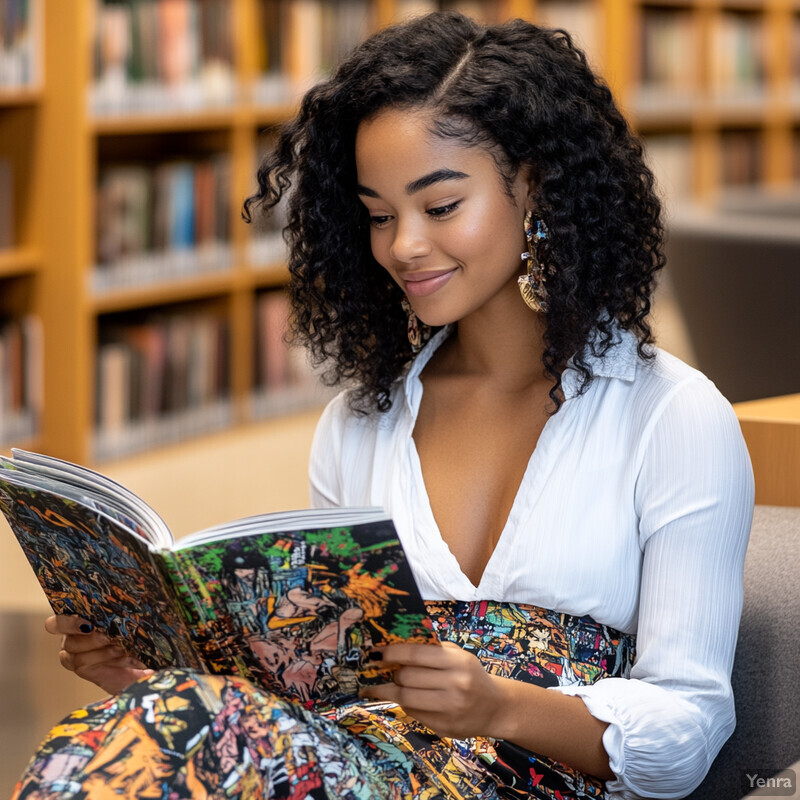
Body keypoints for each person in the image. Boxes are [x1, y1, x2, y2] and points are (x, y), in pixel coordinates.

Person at [16, 11, 753, 800]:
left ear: (534, 185)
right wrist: (146, 677)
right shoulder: (358, 426)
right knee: (141, 729)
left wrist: (498, 705)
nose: (402, 245)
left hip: (534, 782)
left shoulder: (672, 418)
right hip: (362, 769)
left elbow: (688, 731)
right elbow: (322, 700)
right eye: (377, 215)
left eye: (439, 208)